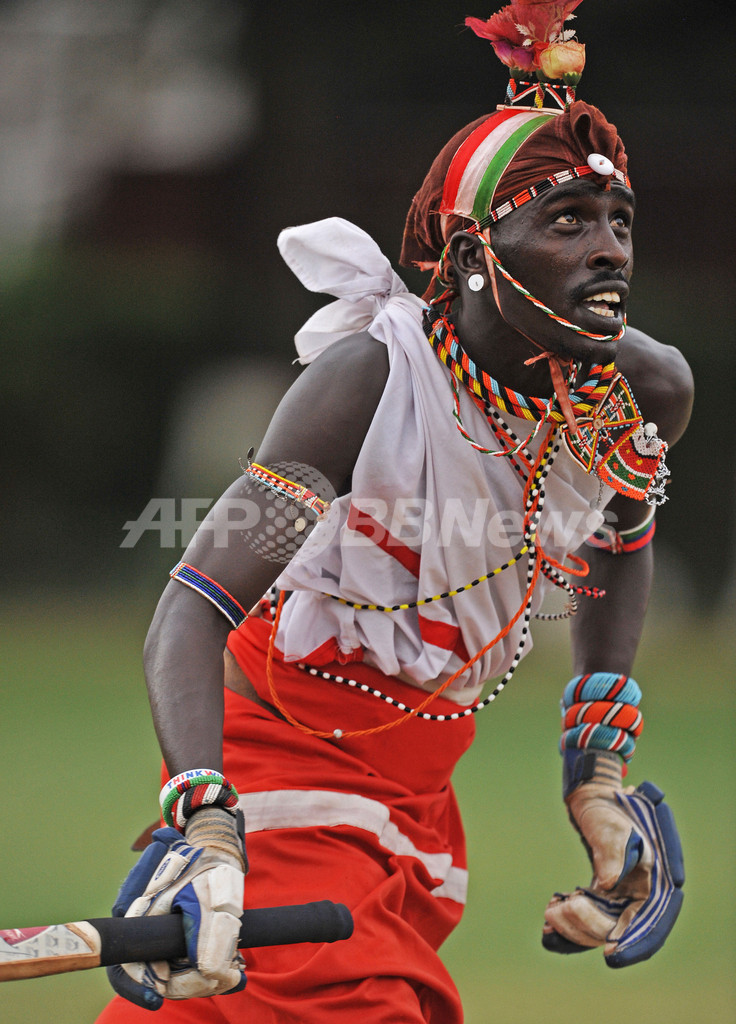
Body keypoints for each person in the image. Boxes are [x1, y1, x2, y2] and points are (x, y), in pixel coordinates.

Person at [97, 5, 693, 1021]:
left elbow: (616, 542)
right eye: (565, 221)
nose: (608, 252)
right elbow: (191, 610)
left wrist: (594, 767)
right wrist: (203, 825)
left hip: (417, 783)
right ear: (472, 253)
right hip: (274, 755)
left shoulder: (638, 393)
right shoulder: (367, 381)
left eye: (618, 222)